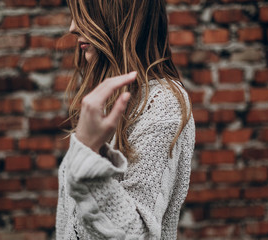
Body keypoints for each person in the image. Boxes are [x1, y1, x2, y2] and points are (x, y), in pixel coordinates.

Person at [56, 0, 195, 239]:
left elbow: (136, 233)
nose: (72, 27)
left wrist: (88, 156)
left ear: (120, 15)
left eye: (86, 14)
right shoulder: (114, 98)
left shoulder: (161, 103)